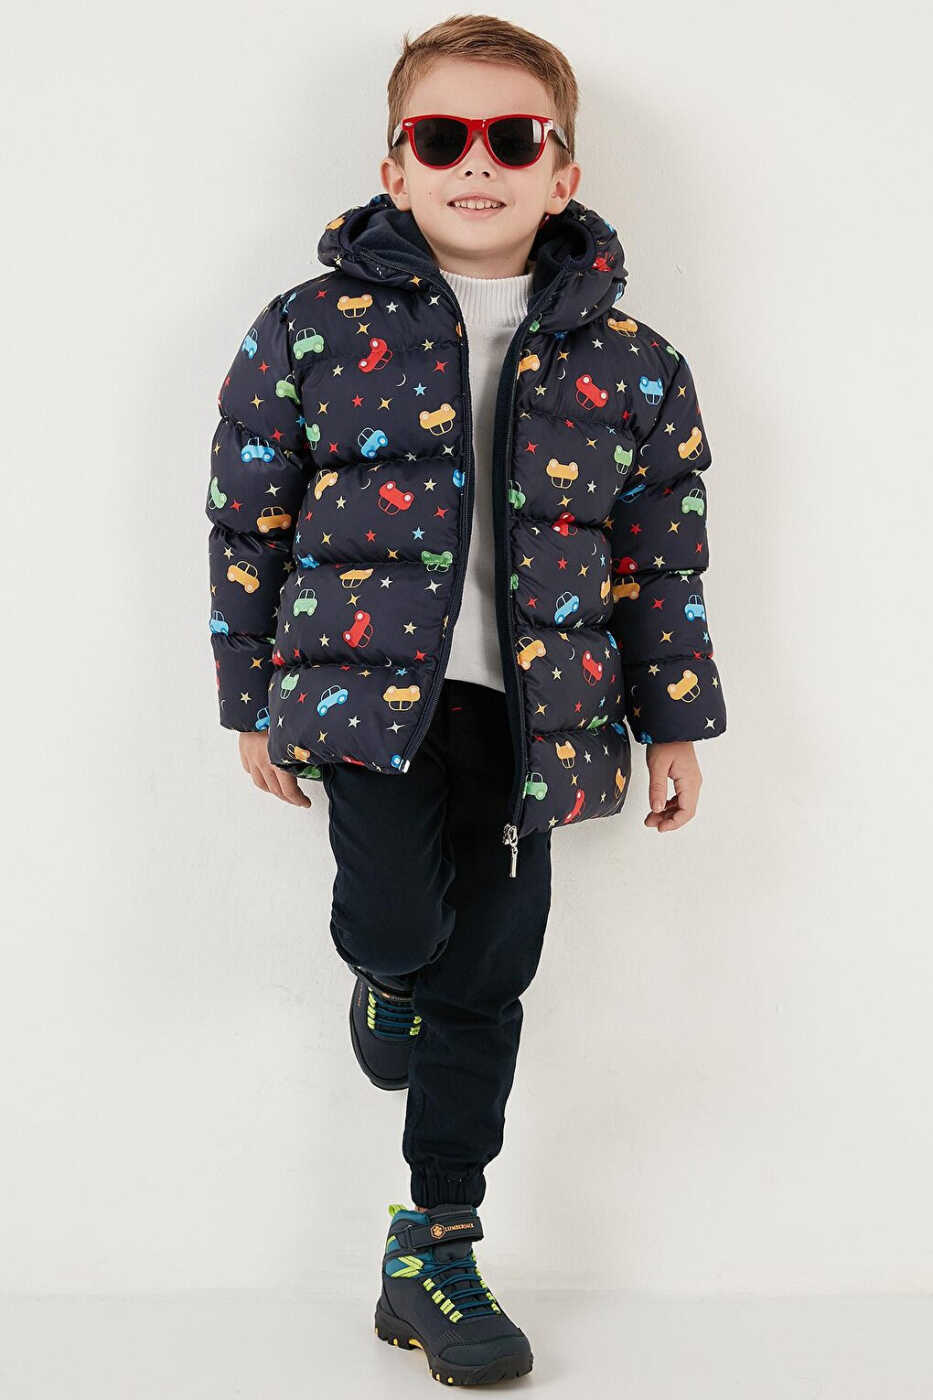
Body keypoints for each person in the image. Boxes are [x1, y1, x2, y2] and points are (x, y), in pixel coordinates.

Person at [205, 14, 727, 1386]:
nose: (475, 163)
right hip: (367, 701)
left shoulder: (634, 361)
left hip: (539, 712)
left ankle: (434, 1243)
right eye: (442, 138)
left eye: (511, 138)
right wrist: (249, 695)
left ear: (562, 173)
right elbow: (247, 521)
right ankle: (384, 978)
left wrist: (676, 720)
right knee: (396, 918)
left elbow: (660, 552)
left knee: (492, 974)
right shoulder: (310, 330)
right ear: (395, 167)